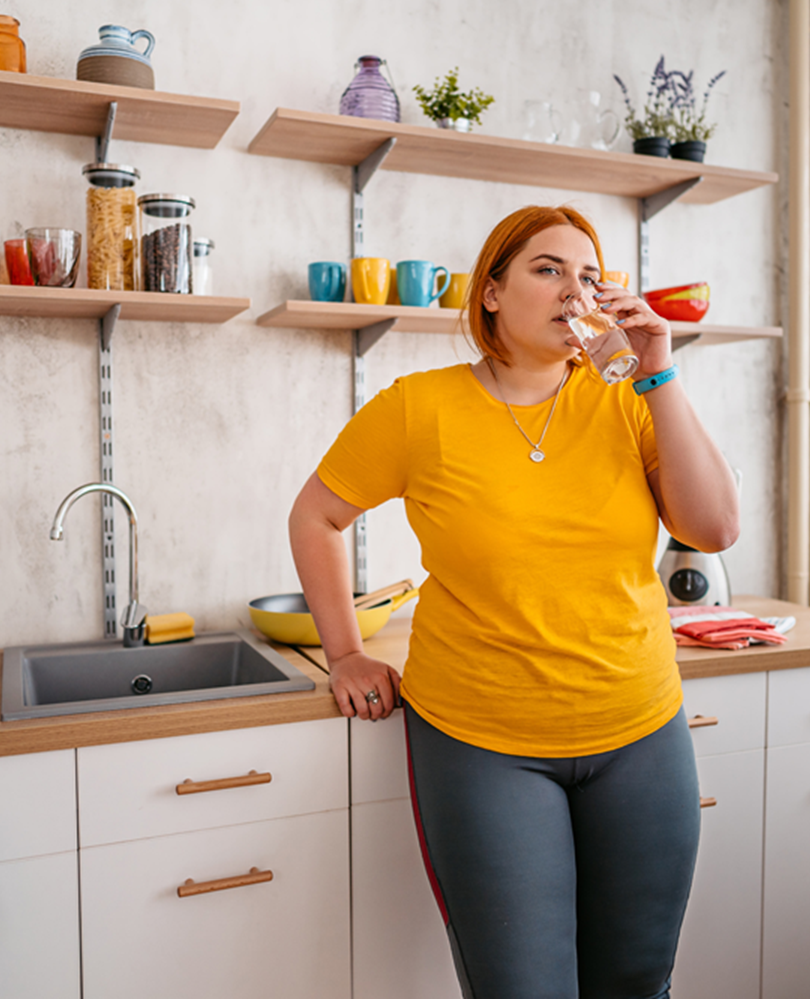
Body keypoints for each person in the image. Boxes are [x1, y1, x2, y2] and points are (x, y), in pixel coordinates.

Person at [288, 205, 740, 999]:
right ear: (491, 292)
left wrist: (658, 366)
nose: (576, 291)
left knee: (637, 981)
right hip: (482, 741)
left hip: (639, 728)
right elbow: (317, 515)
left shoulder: (630, 398)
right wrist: (347, 651)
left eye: (591, 275)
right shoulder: (417, 407)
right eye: (548, 269)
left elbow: (715, 525)